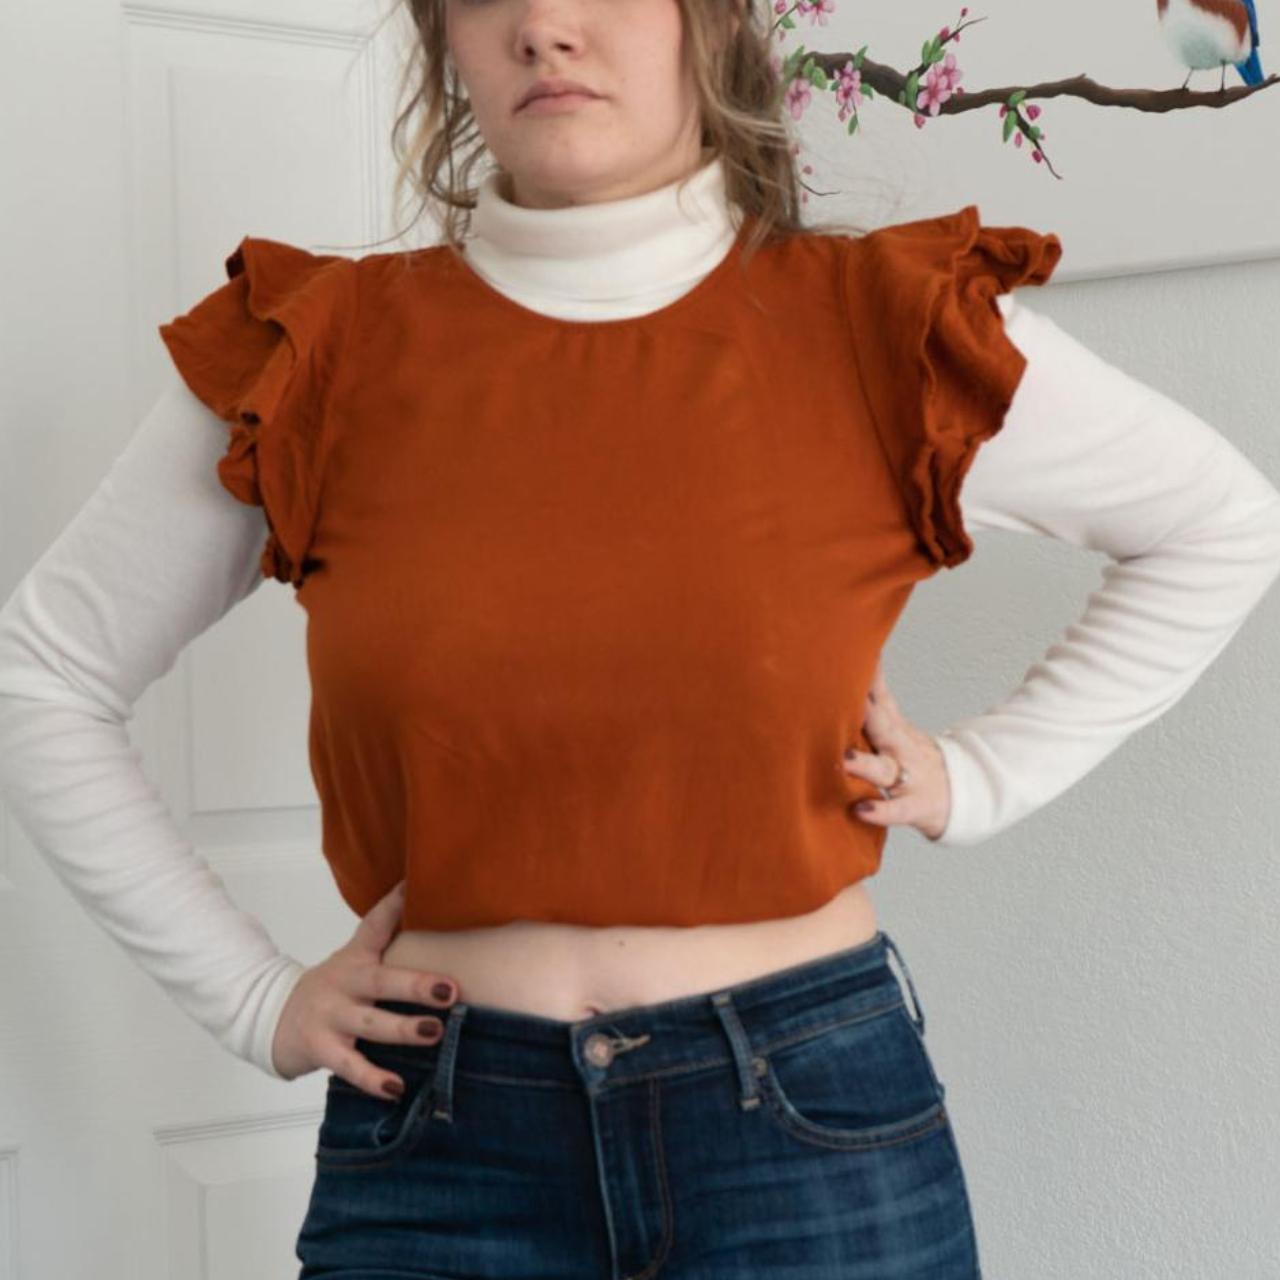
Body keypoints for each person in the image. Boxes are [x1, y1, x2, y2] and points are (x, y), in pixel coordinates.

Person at [3, 1, 1280, 1275]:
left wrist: (984, 776)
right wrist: (252, 996)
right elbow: (43, 673)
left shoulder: (889, 327)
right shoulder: (310, 352)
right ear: (443, 36)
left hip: (805, 1134)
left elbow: (1221, 524)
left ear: (706, 24)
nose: (544, 29)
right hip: (438, 1151)